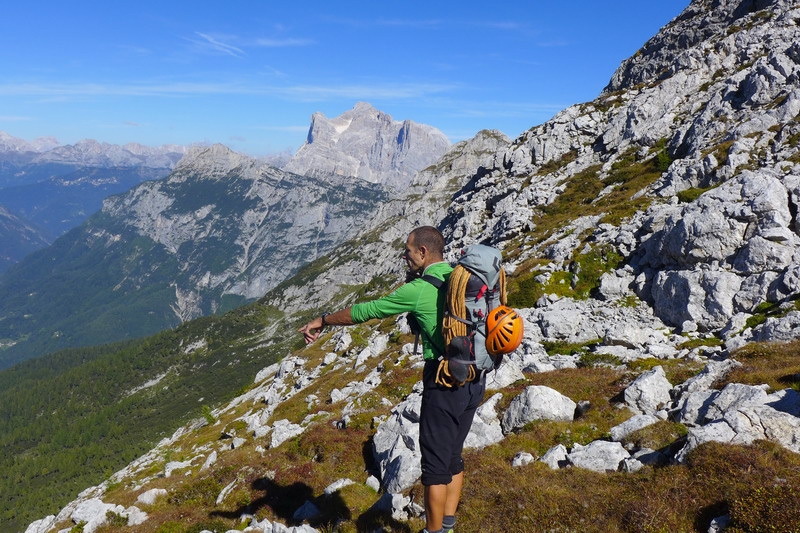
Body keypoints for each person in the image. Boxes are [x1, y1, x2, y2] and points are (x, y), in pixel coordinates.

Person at [299, 226, 485, 533]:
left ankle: (435, 531)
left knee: (435, 467)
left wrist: (323, 320)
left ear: (423, 253)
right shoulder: (458, 277)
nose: (404, 256)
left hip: (444, 380)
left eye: (408, 250)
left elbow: (366, 311)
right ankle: (448, 523)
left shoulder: (419, 289)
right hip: (475, 375)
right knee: (453, 456)